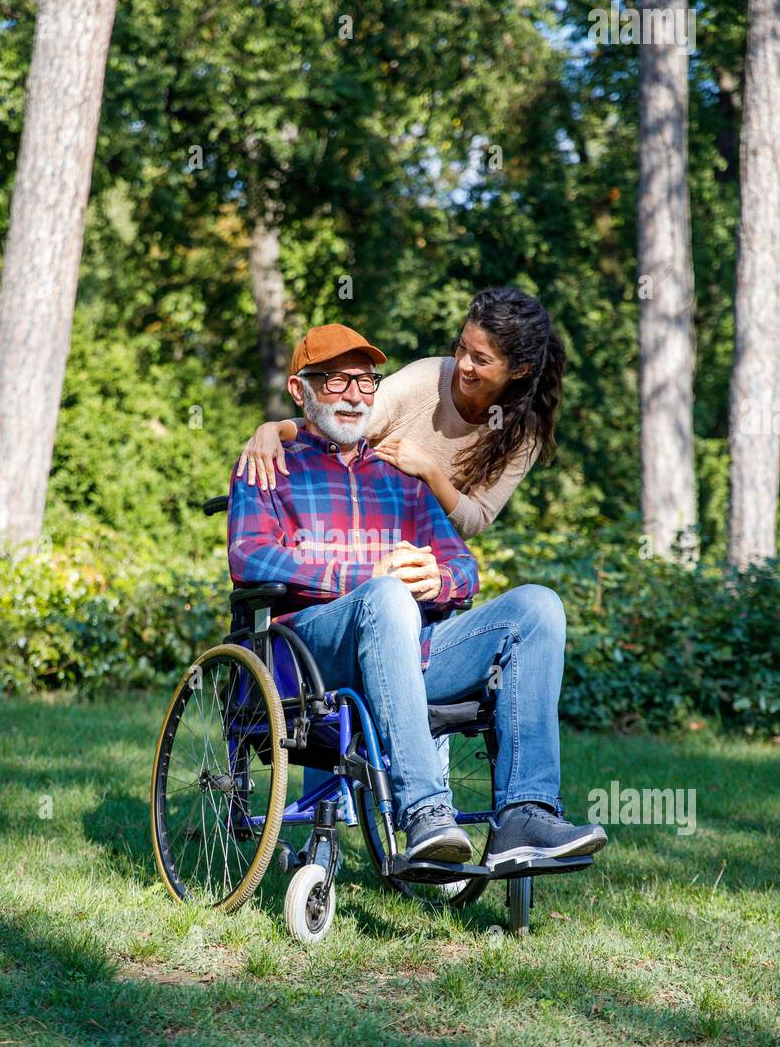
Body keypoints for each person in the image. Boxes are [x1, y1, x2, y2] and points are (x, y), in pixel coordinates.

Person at [227, 323, 607, 867]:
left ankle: (525, 814)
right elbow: (250, 556)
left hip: (404, 651)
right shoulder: (271, 465)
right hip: (309, 655)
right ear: (299, 390)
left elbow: (463, 563)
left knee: (537, 607)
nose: (356, 395)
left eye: (365, 381)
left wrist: (441, 580)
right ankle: (425, 812)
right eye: (336, 382)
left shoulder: (399, 475)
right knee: (384, 595)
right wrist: (366, 575)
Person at [234, 286, 564, 541]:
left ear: (519, 370)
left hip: (423, 551)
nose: (463, 364)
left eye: (481, 359)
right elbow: (342, 422)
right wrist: (275, 429)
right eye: (462, 347)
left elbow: (474, 521)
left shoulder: (523, 434)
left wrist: (430, 472)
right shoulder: (427, 379)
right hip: (358, 529)